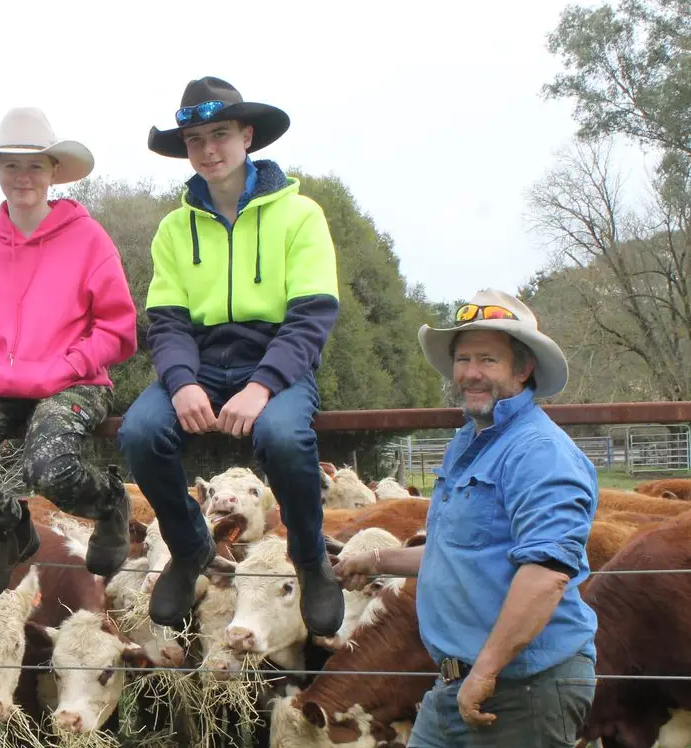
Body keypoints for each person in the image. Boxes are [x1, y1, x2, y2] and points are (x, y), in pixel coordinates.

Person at [116, 76, 345, 634]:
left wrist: (262, 385)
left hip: (276, 358)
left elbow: (311, 315)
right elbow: (166, 321)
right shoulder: (174, 228)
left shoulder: (301, 215)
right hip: (199, 360)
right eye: (195, 139)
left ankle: (311, 560)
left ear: (247, 136)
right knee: (141, 432)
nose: (209, 149)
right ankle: (191, 545)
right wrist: (182, 381)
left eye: (220, 134)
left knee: (286, 438)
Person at [335, 289, 598, 746]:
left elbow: (547, 574)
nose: (471, 373)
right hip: (456, 681)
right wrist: (375, 562)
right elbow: (458, 553)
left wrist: (486, 671)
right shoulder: (469, 441)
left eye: (489, 360)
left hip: (522, 686)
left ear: (523, 369)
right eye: (463, 359)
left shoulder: (539, 452)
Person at [0, 107, 139, 604]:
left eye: (35, 165)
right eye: (11, 165)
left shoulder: (89, 239)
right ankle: (12, 530)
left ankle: (110, 505)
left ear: (53, 172)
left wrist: (67, 366)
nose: (23, 176)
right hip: (2, 381)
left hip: (74, 379)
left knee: (51, 466)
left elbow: (118, 326)